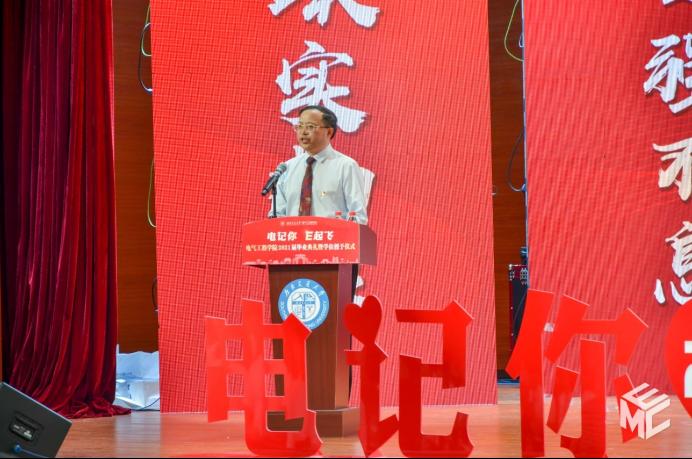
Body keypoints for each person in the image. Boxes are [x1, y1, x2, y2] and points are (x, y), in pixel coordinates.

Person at [271, 105, 368, 224]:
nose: (303, 132)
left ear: (329, 131)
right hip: (293, 235)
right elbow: (277, 216)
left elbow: (358, 216)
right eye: (300, 126)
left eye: (310, 127)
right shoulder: (287, 168)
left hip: (330, 235)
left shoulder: (346, 166)